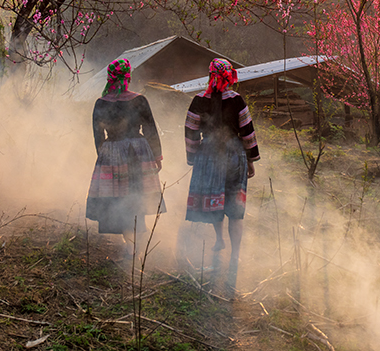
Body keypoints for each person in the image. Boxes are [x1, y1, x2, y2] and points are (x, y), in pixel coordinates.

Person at [184, 58, 259, 292]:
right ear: (229, 76)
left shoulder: (198, 100)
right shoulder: (237, 100)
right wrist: (251, 160)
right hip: (234, 154)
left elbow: (191, 131)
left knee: (215, 199)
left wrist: (193, 156)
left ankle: (219, 241)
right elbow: (247, 131)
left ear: (210, 76)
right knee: (235, 206)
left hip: (208, 155)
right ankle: (235, 255)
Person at [86, 58, 165, 256]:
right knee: (136, 194)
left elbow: (98, 136)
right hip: (137, 152)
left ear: (110, 78)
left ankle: (130, 244)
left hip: (112, 153)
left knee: (118, 196)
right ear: (127, 77)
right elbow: (150, 129)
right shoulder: (139, 100)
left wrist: (103, 156)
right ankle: (135, 244)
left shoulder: (101, 103)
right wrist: (156, 156)